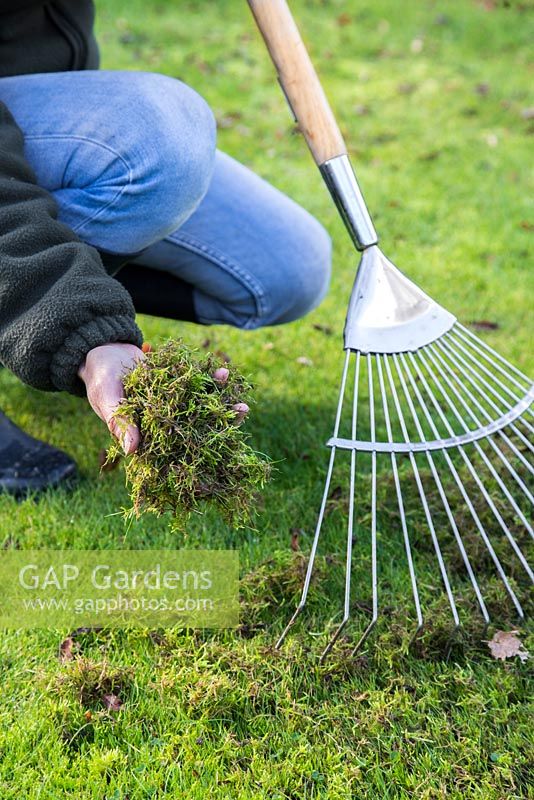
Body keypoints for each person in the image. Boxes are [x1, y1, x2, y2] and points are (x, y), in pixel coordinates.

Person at [0, 0, 331, 495]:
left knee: (290, 267)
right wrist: (83, 330)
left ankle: (65, 273)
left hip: (36, 101)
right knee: (162, 140)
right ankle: (26, 305)